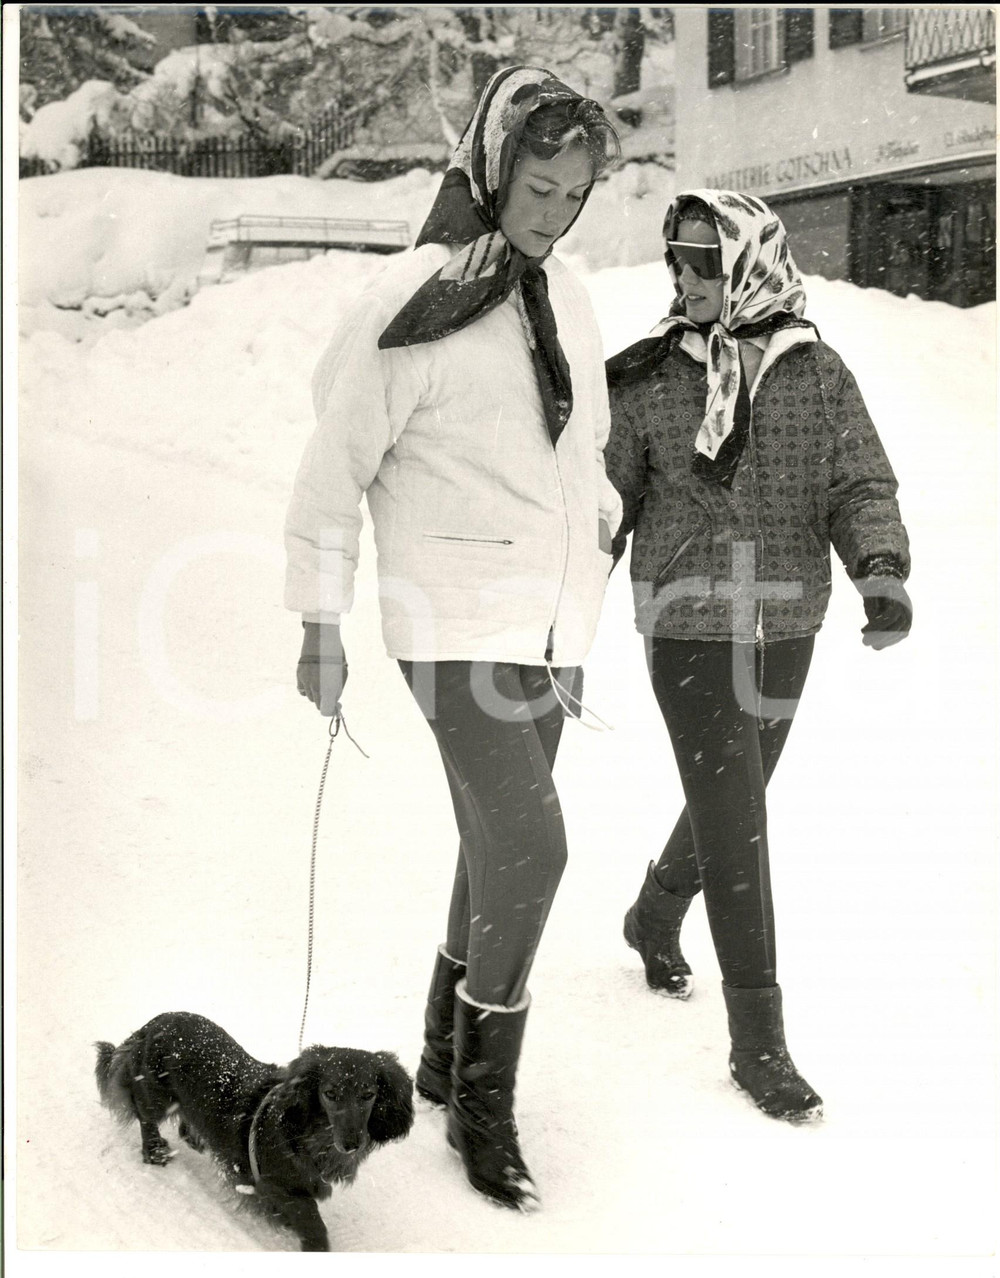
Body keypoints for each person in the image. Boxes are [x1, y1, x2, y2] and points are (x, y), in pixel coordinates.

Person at [284, 67, 621, 1210]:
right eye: (536, 185)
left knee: (492, 848)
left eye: (575, 194)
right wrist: (317, 621)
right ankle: (485, 1104)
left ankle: (437, 1056)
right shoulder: (413, 298)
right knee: (534, 849)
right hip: (450, 622)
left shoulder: (567, 295)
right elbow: (333, 472)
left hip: (550, 624)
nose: (553, 212)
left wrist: (605, 529)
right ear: (490, 167)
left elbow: (582, 448)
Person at [605, 189, 912, 1123]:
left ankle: (655, 912)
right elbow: (604, 503)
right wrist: (556, 595)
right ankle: (758, 1042)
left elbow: (858, 479)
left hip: (786, 624)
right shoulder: (651, 376)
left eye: (704, 259)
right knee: (736, 819)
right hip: (689, 622)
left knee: (733, 796)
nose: (686, 277)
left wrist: (881, 570)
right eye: (677, 260)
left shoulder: (814, 374)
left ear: (747, 260)